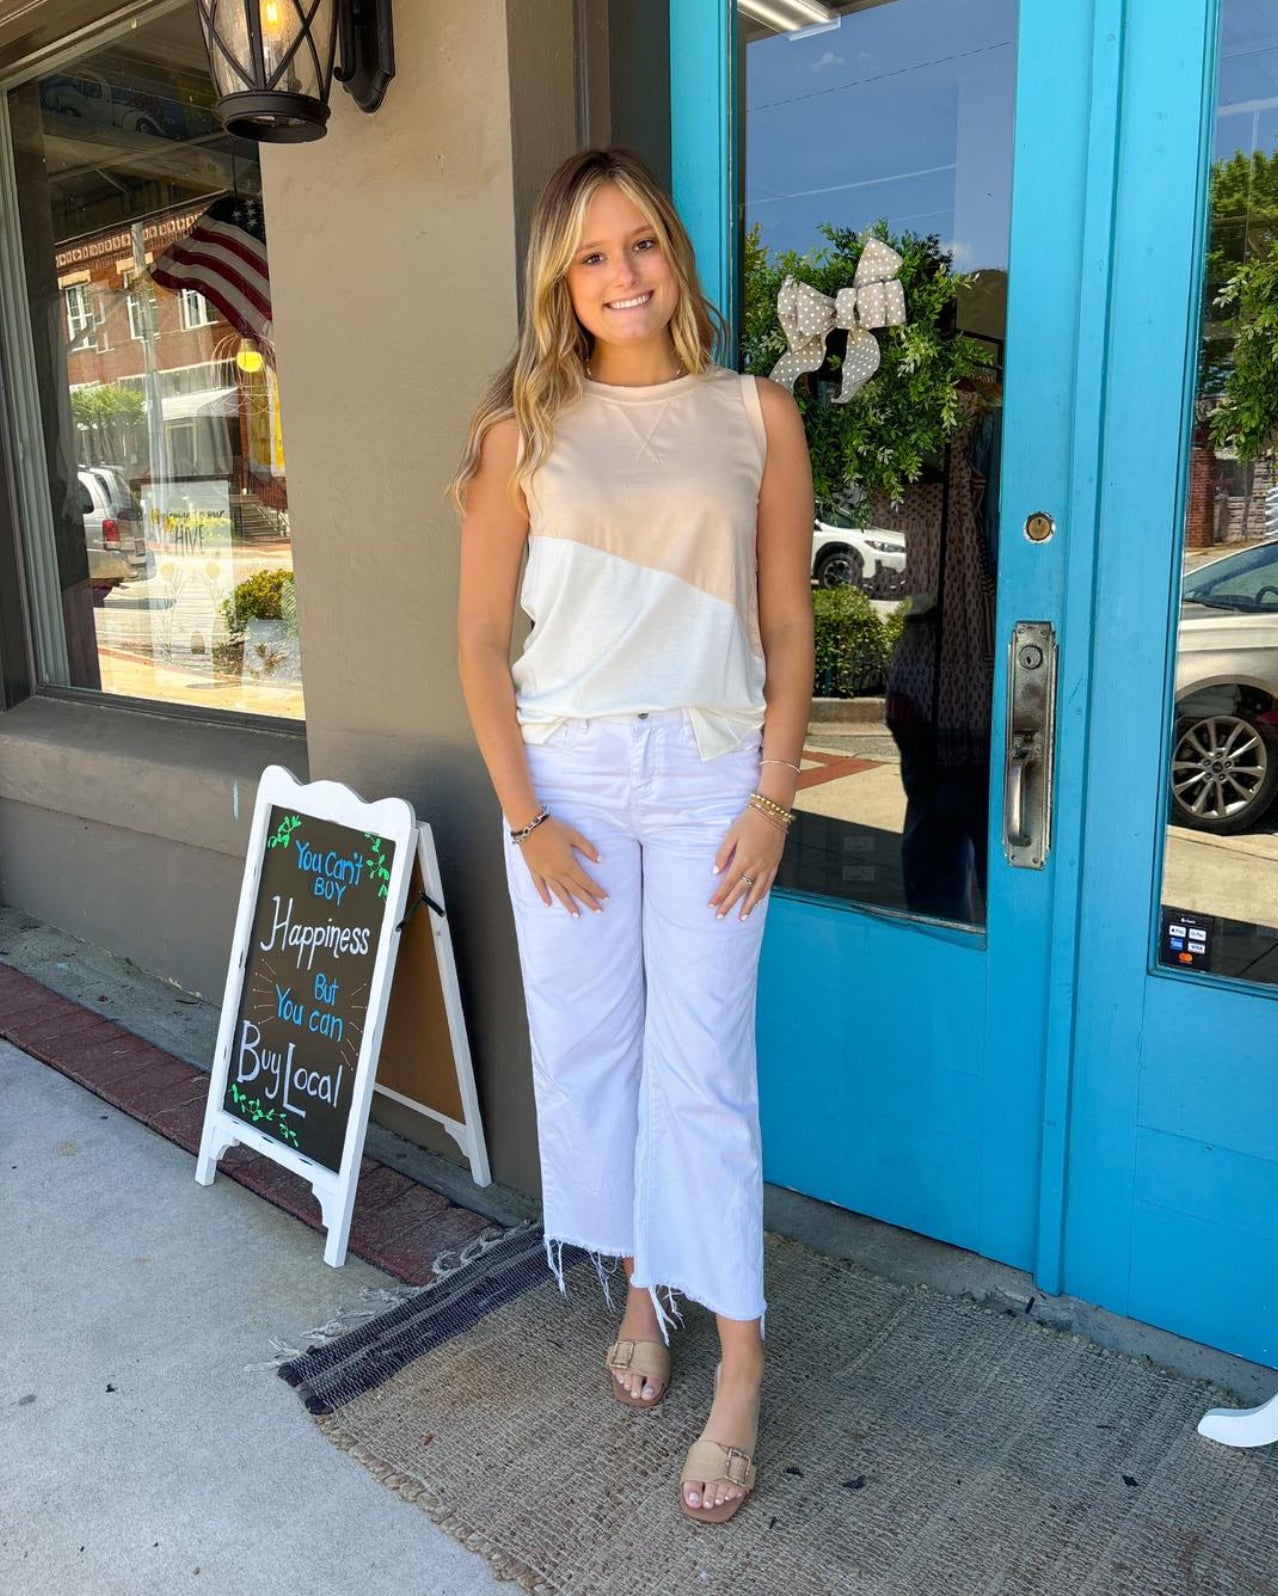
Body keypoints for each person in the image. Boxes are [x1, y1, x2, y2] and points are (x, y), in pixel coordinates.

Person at [452, 147, 813, 1524]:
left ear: (674, 257)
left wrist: (773, 798)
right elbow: (483, 649)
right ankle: (642, 1291)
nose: (620, 276)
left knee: (702, 1065)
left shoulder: (754, 415)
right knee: (595, 1056)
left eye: (641, 246)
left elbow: (785, 625)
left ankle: (740, 1357)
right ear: (560, 277)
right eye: (591, 255)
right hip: (572, 788)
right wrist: (527, 815)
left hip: (715, 772)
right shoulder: (518, 432)